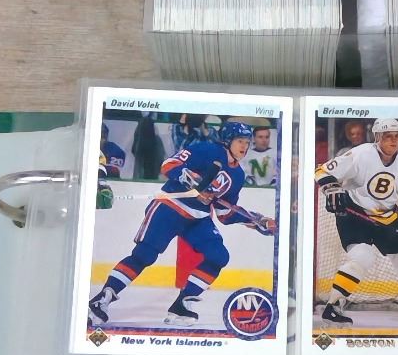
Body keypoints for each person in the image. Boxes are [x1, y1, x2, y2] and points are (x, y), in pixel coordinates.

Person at [88, 121, 276, 330]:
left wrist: (255, 220)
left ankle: (181, 305)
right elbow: (168, 165)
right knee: (144, 255)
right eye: (240, 141)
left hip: (198, 218)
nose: (244, 146)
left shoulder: (238, 175)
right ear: (227, 140)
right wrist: (188, 177)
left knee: (219, 256)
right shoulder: (206, 150)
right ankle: (102, 299)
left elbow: (225, 213)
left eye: (247, 142)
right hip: (169, 207)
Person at [313, 117, 398, 327]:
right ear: (377, 137)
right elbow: (322, 171)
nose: (393, 141)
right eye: (387, 136)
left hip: (386, 218)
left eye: (397, 136)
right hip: (354, 215)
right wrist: (331, 188)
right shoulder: (361, 154)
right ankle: (333, 307)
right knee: (362, 257)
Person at [245, 124, 277, 189]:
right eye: (260, 137)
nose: (264, 140)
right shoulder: (246, 155)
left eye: (267, 137)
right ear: (254, 139)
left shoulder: (276, 154)